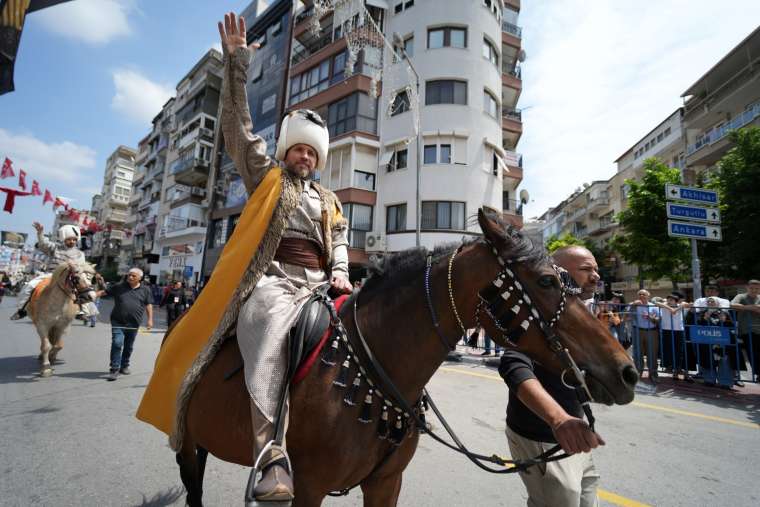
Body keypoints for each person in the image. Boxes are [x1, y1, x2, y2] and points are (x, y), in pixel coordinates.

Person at [138, 13, 351, 503]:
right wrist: (237, 63)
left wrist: (340, 271)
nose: (305, 158)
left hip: (322, 284)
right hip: (274, 281)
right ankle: (270, 454)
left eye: (312, 154)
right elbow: (235, 127)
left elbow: (339, 238)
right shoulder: (267, 175)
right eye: (298, 150)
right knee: (264, 323)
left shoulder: (330, 199)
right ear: (287, 150)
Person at [499, 245, 604, 507]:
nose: (596, 275)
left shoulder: (579, 314)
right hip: (542, 441)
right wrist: (558, 420)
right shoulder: (534, 317)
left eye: (596, 269)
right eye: (586, 269)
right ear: (556, 272)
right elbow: (514, 365)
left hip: (577, 439)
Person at [11, 222, 86, 320]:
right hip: (52, 275)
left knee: (85, 289)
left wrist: (74, 269)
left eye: (74, 239)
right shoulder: (55, 248)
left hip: (71, 277)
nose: (72, 241)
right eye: (69, 239)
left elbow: (81, 268)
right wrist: (40, 233)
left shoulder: (80, 254)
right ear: (64, 239)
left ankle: (82, 311)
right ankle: (22, 310)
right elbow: (43, 244)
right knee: (30, 286)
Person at [95, 267, 153, 381]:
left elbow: (148, 304)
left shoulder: (146, 290)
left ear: (140, 278)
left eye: (133, 276)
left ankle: (124, 365)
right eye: (129, 275)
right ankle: (114, 369)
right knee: (117, 343)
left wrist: (150, 319)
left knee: (128, 346)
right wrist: (91, 295)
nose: (130, 277)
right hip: (118, 321)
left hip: (134, 323)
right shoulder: (119, 287)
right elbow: (104, 292)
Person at [654, 292, 691, 381]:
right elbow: (656, 302)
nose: (669, 301)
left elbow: (689, 304)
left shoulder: (680, 305)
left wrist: (677, 308)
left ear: (676, 301)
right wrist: (670, 308)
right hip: (667, 330)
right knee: (668, 349)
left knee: (679, 350)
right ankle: (671, 368)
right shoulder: (664, 305)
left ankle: (679, 369)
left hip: (678, 330)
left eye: (672, 300)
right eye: (668, 299)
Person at [731, 280, 760, 383]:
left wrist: (743, 308)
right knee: (753, 353)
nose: (754, 290)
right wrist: (751, 308)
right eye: (752, 288)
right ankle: (758, 374)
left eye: (756, 288)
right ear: (747, 287)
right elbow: (732, 305)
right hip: (747, 330)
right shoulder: (741, 296)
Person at [630, 289, 660, 384]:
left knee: (652, 353)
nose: (641, 296)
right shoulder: (634, 305)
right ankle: (638, 373)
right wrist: (633, 305)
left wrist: (651, 317)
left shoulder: (653, 306)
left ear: (648, 296)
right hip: (638, 330)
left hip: (651, 331)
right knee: (638, 353)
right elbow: (627, 315)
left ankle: (653, 374)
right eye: (639, 294)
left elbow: (658, 319)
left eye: (644, 294)